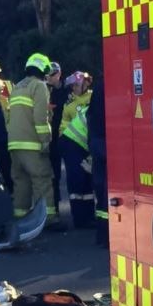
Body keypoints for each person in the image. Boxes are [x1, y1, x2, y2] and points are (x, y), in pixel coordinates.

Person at [7, 53, 61, 228]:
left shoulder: (17, 87)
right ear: (42, 69)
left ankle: (20, 219)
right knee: (42, 180)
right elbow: (40, 116)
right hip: (32, 144)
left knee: (20, 183)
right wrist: (46, 140)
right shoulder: (38, 86)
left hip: (14, 144)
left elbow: (10, 117)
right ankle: (48, 219)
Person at [59, 71, 94, 229]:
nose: (75, 88)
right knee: (76, 180)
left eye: (77, 85)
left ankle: (88, 217)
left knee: (88, 181)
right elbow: (64, 127)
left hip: (87, 144)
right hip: (74, 144)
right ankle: (79, 219)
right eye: (73, 86)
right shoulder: (69, 105)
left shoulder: (94, 98)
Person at [45, 61, 70, 213]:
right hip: (51, 137)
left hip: (67, 136)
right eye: (47, 75)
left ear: (59, 74)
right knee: (53, 175)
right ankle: (54, 205)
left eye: (52, 75)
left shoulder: (68, 90)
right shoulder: (44, 90)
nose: (49, 78)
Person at [86, 78, 108, 247]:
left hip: (96, 141)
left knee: (101, 190)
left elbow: (91, 115)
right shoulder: (109, 86)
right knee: (108, 190)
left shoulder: (99, 87)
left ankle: (102, 236)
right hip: (105, 142)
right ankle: (107, 236)